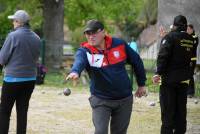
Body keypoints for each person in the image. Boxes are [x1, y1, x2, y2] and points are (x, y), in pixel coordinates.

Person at [66, 19, 147, 134]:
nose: (91, 36)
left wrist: (141, 84)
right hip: (101, 100)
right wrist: (75, 71)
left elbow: (137, 61)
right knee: (100, 131)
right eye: (88, 33)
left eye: (94, 32)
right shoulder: (85, 51)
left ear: (103, 32)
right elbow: (79, 61)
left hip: (124, 99)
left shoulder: (119, 44)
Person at [0, 10, 41, 134]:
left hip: (13, 79)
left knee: (4, 110)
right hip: (30, 79)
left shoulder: (13, 36)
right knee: (22, 110)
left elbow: (2, 59)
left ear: (19, 22)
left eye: (14, 20)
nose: (13, 23)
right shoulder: (37, 38)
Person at [153, 15, 194, 134]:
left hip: (169, 82)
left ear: (174, 25)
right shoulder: (190, 39)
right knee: (181, 112)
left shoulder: (170, 37)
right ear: (185, 26)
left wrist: (158, 73)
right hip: (184, 81)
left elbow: (163, 56)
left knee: (168, 113)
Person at [187, 24, 199, 97]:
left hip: (192, 59)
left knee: (190, 75)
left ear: (192, 29)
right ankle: (187, 91)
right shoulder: (187, 36)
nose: (187, 30)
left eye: (188, 29)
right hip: (187, 58)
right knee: (186, 75)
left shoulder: (194, 37)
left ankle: (191, 92)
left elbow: (193, 46)